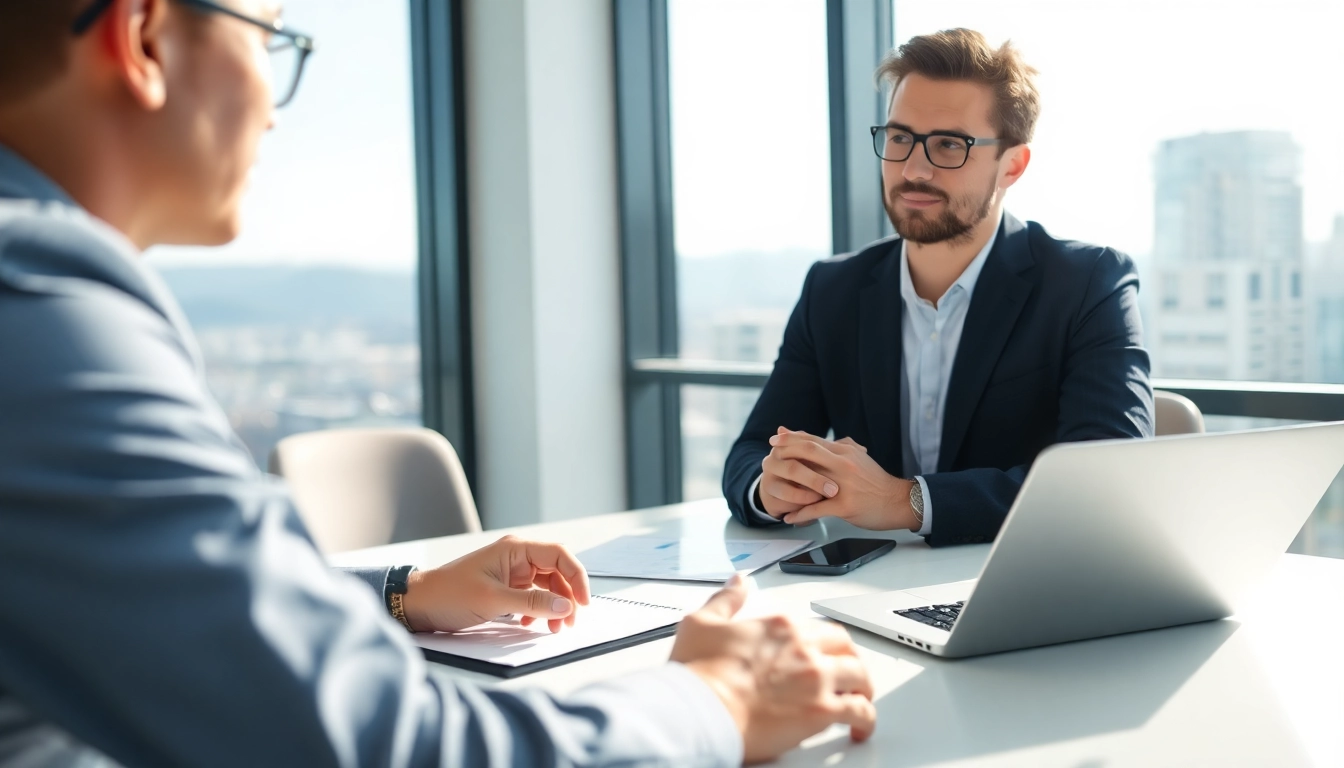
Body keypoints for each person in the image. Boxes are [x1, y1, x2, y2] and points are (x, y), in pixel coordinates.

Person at [0, 1, 877, 765]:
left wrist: (405, 594)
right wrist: (716, 700)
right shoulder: (39, 318)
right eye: (270, 39)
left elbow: (151, 603)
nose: (273, 108)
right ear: (145, 37)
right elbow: (388, 747)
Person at [723, 28, 1153, 546]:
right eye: (901, 137)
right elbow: (751, 452)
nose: (914, 169)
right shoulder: (833, 288)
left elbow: (1108, 481)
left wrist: (906, 501)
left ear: (1011, 165)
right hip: (862, 593)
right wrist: (770, 489)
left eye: (950, 144)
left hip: (1025, 589)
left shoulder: (1088, 283)